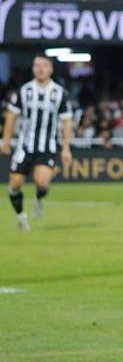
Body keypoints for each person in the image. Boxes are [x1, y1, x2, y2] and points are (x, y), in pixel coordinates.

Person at [2, 56, 73, 231]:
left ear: (51, 69)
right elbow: (11, 117)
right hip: (25, 146)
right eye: (37, 65)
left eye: (44, 65)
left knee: (42, 182)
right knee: (15, 184)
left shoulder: (59, 93)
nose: (40, 68)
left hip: (46, 146)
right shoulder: (23, 91)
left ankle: (38, 199)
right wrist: (6, 140)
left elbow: (67, 122)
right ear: (33, 68)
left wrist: (66, 148)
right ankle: (21, 217)